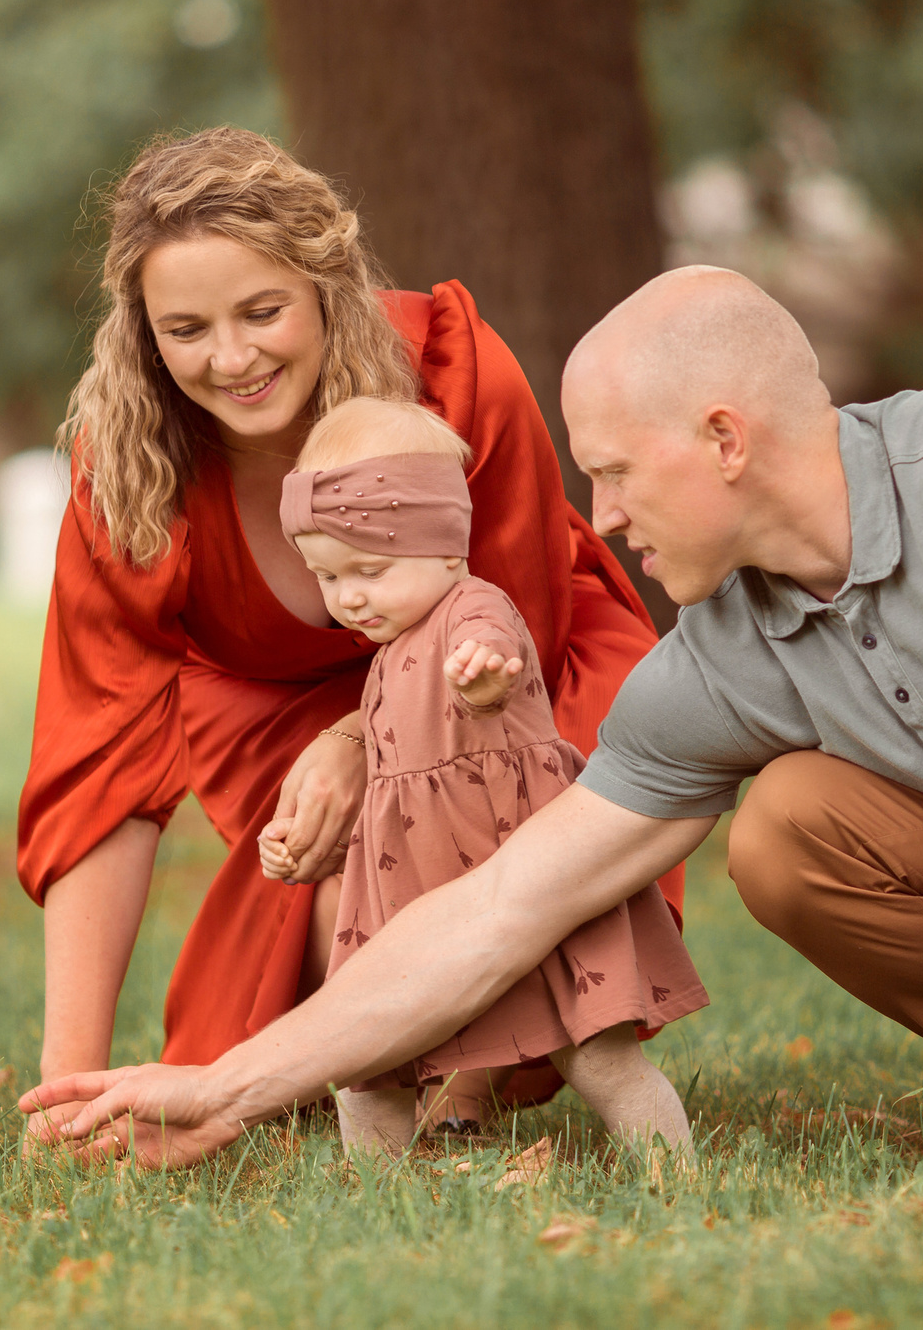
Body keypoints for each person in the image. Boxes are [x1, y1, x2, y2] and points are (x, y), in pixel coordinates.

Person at [26, 266, 923, 1186]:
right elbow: (501, 905)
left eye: (613, 472)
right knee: (796, 829)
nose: (596, 518)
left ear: (724, 439)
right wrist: (224, 1082)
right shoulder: (727, 658)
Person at [12, 128, 670, 1144]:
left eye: (262, 311)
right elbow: (97, 761)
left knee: (485, 911)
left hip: (512, 689)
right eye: (184, 328)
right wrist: (70, 1084)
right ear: (142, 331)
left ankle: (469, 1088)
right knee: (339, 924)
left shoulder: (455, 375)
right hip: (276, 707)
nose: (230, 359)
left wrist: (357, 743)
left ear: (325, 285)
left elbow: (507, 645)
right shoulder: (130, 463)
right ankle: (395, 1055)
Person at [260, 397, 703, 1157]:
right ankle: (375, 1191)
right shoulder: (387, 655)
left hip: (513, 875)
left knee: (597, 1055)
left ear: (445, 549)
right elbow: (393, 795)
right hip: (410, 894)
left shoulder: (472, 607)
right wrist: (308, 844)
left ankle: (674, 1174)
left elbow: (490, 648)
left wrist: (485, 676)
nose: (350, 596)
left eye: (369, 568)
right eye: (329, 576)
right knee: (368, 1063)